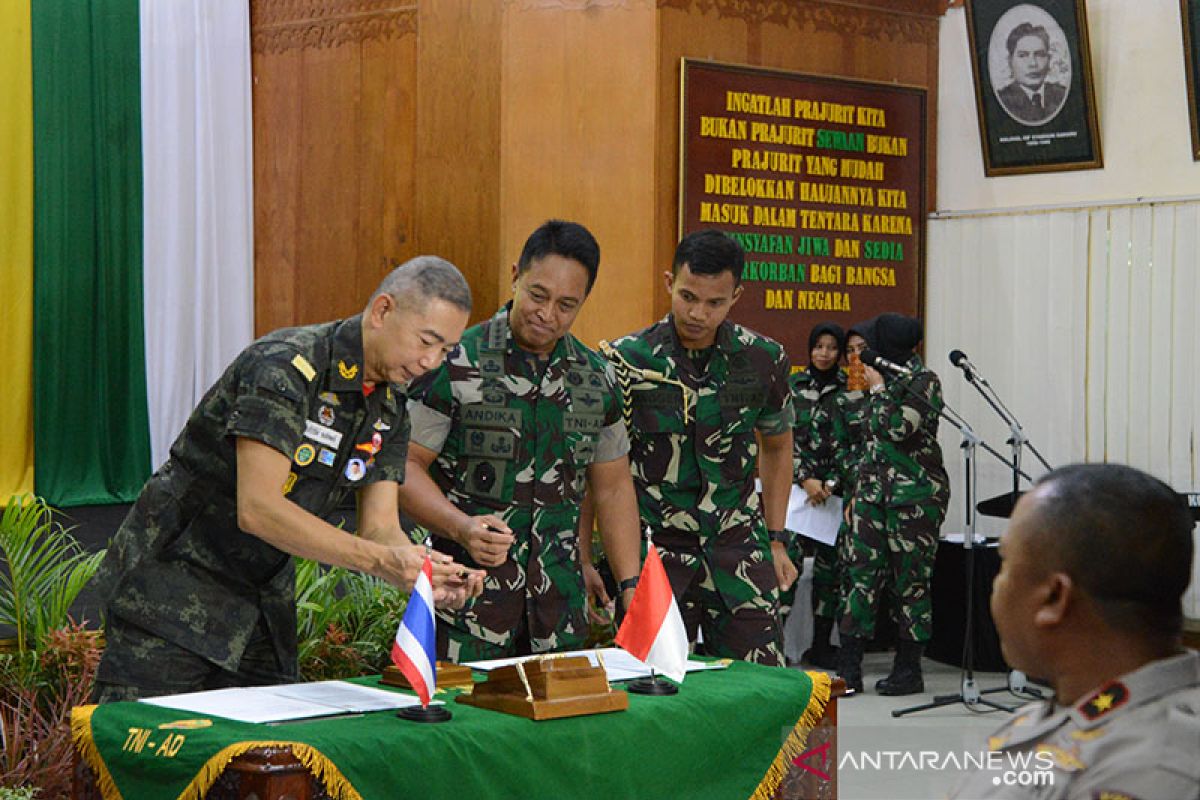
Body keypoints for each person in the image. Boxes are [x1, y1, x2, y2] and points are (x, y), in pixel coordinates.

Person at [91, 256, 485, 702]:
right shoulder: (285, 367)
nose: (430, 362)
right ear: (382, 311)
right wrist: (376, 561)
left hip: (261, 607)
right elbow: (259, 508)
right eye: (426, 341)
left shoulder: (390, 408)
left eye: (446, 351)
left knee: (266, 759)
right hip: (171, 595)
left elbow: (379, 528)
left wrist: (423, 574)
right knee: (150, 750)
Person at [396, 220, 642, 662]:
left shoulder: (596, 377)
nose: (548, 315)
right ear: (515, 275)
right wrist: (461, 527)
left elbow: (613, 487)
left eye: (567, 305)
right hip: (466, 607)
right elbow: (404, 467)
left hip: (559, 614)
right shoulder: (456, 362)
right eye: (537, 295)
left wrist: (630, 586)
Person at [602, 229, 796, 666]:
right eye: (688, 296)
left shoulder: (764, 359)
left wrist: (777, 538)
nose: (697, 313)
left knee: (764, 687)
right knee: (651, 689)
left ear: (736, 296)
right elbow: (603, 474)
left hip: (738, 546)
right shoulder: (626, 360)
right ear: (669, 281)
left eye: (714, 303)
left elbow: (779, 447)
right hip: (657, 550)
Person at [950, 463, 1199, 800]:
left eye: (1005, 564)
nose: (995, 587)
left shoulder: (1151, 769)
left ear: (1054, 597)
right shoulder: (1050, 717)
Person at [836, 313, 949, 694]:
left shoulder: (923, 381)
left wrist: (881, 390)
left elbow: (898, 429)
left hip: (914, 500)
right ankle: (849, 669)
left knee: (910, 584)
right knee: (860, 577)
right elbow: (865, 443)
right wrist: (855, 491)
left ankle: (908, 671)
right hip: (871, 498)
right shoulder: (870, 379)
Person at [787, 322, 846, 668]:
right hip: (797, 494)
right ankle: (777, 646)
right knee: (787, 566)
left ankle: (822, 644)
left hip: (833, 496)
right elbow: (781, 437)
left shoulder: (848, 390)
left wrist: (832, 483)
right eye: (818, 346)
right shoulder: (794, 386)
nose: (824, 353)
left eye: (831, 347)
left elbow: (854, 440)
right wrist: (805, 478)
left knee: (830, 573)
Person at [996, 22, 1067, 125]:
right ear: (1010, 61)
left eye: (1040, 55)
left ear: (1049, 59)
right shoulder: (1002, 100)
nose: (1033, 63)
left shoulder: (1062, 94)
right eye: (1023, 55)